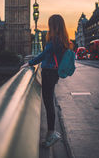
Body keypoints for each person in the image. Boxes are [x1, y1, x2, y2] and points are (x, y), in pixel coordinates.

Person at [28, 14, 73, 148]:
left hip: (49, 73)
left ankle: (51, 133)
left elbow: (43, 55)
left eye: (49, 24)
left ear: (53, 25)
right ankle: (51, 133)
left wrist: (29, 63)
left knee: (48, 104)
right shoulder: (61, 39)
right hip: (53, 73)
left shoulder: (54, 40)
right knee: (49, 103)